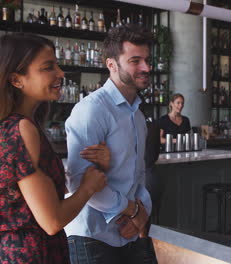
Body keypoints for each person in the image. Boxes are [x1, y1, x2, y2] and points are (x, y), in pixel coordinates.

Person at [0, 33, 106, 263]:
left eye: (57, 64)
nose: (60, 73)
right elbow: (52, 221)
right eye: (48, 67)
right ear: (16, 79)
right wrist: (88, 188)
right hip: (32, 256)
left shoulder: (16, 126)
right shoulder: (21, 129)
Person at [64, 24, 156, 263]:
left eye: (147, 60)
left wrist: (141, 213)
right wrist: (132, 211)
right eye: (135, 61)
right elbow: (79, 182)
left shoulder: (136, 114)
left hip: (129, 233)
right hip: (93, 237)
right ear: (111, 65)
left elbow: (138, 175)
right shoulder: (91, 110)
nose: (146, 68)